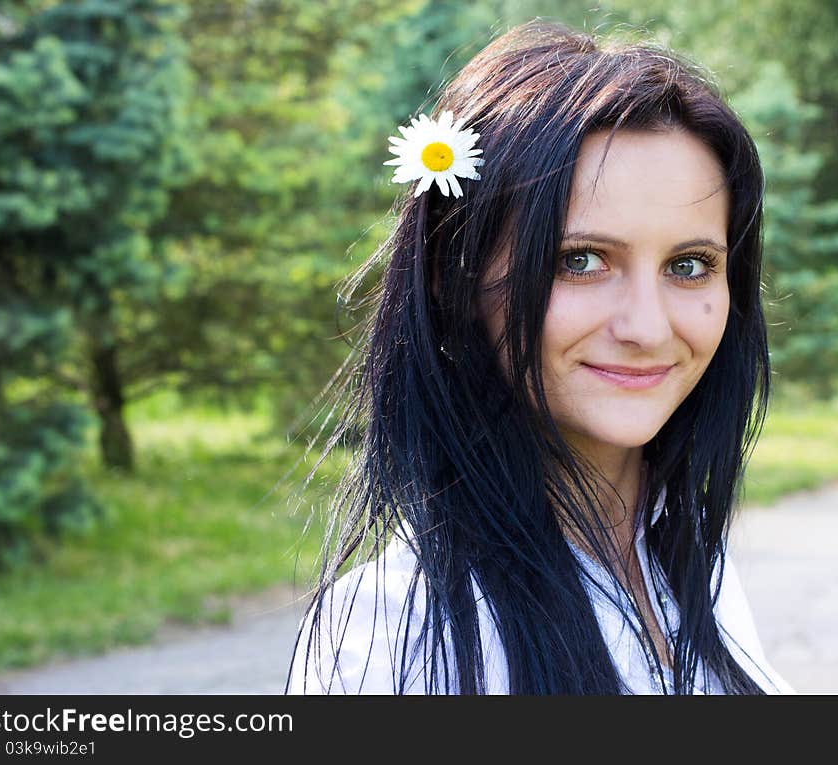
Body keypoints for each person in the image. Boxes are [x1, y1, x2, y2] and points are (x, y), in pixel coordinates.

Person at [284, 19, 795, 695]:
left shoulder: (688, 563)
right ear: (454, 275)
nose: (647, 325)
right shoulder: (394, 638)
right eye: (579, 260)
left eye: (690, 264)